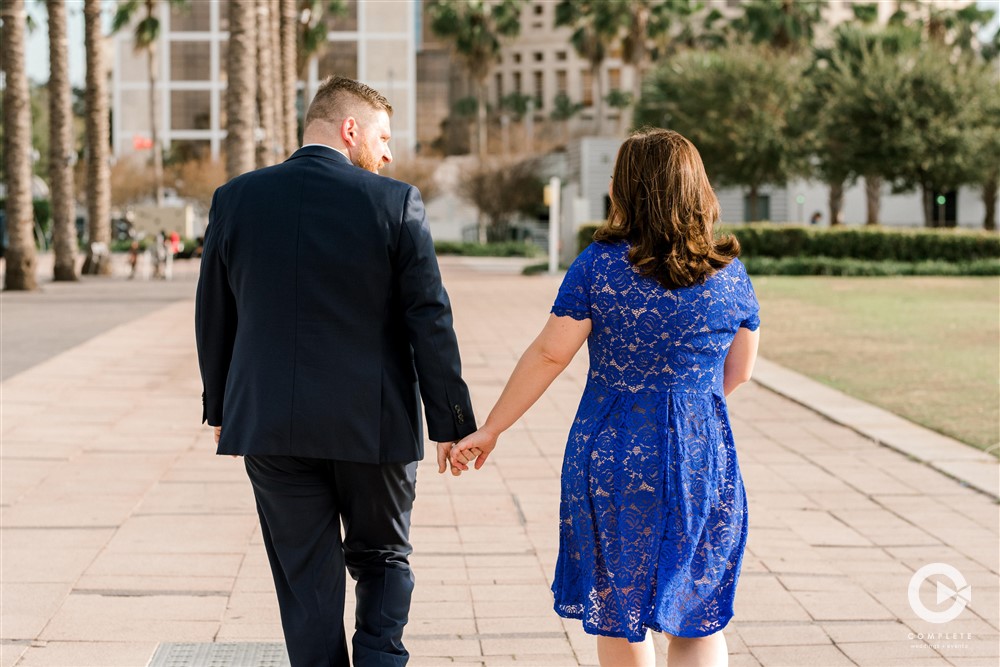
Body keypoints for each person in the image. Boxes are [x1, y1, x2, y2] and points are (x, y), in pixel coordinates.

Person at [195, 75, 477, 667]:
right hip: (371, 428)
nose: (389, 153)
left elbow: (213, 312)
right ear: (350, 130)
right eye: (383, 136)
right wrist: (451, 422)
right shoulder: (395, 201)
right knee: (382, 559)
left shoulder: (236, 198)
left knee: (305, 579)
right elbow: (430, 318)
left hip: (269, 424)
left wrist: (220, 406)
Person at [451, 129, 761, 667]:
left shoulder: (600, 266)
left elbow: (551, 354)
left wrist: (491, 427)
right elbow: (740, 371)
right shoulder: (729, 273)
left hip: (613, 452)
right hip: (700, 455)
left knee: (620, 610)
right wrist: (689, 407)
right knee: (696, 613)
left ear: (627, 189)